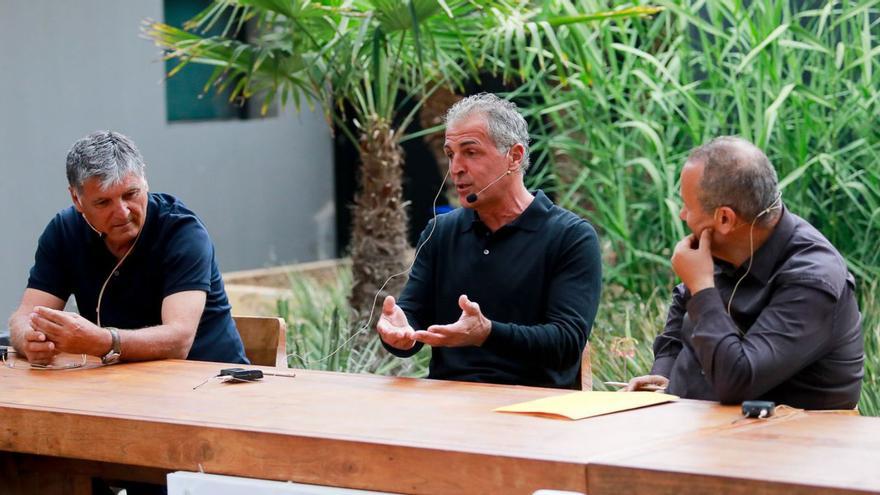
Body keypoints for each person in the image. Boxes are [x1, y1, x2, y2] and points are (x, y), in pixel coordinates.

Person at [376, 93, 602, 388]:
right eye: (450, 154)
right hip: (448, 404)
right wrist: (399, 334)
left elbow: (567, 342)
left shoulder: (570, 236)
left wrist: (487, 333)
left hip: (535, 409)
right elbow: (412, 318)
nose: (455, 167)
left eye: (470, 152)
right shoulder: (440, 232)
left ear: (515, 156)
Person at [626, 136, 863, 410]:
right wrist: (663, 379)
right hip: (698, 430)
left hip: (782, 442)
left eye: (687, 207)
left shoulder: (812, 279)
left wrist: (702, 286)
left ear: (725, 218)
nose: (681, 215)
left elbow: (738, 381)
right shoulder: (728, 247)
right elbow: (680, 319)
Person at [8, 130, 248, 366]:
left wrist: (100, 341)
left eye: (131, 194)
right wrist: (29, 340)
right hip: (122, 383)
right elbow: (26, 316)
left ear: (145, 181)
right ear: (76, 199)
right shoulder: (64, 230)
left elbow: (179, 340)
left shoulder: (182, 231)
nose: (122, 212)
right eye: (103, 202)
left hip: (212, 381)